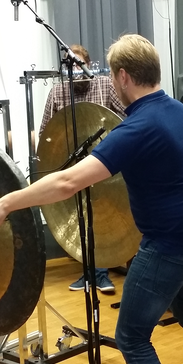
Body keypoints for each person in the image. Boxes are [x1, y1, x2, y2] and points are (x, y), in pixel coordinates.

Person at [0, 34, 183, 364]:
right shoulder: (180, 111)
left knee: (131, 337)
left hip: (170, 245)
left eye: (114, 76)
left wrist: (6, 203)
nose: (113, 83)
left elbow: (67, 182)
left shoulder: (137, 128)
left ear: (124, 77)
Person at [40, 44, 125, 294]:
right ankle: (89, 274)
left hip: (105, 163)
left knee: (102, 218)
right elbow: (46, 132)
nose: (77, 71)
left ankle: (100, 274)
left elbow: (126, 118)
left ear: (88, 65)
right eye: (72, 66)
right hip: (73, 164)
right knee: (80, 220)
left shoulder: (105, 85)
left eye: (80, 65)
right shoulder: (57, 92)